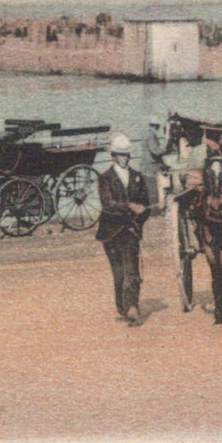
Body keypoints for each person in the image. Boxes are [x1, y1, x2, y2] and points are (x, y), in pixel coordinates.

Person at [96, 133, 150, 326]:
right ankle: (122, 308)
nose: (125, 158)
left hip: (130, 230)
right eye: (121, 155)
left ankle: (132, 307)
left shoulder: (137, 177)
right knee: (119, 273)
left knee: (132, 270)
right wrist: (129, 206)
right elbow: (108, 204)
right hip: (110, 232)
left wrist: (140, 217)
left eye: (127, 154)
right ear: (113, 155)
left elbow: (146, 204)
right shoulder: (105, 178)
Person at [140, 116, 165, 207]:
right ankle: (155, 209)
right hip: (151, 167)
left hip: (148, 165)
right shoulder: (151, 135)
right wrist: (165, 149)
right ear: (156, 126)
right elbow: (155, 151)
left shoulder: (147, 133)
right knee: (154, 190)